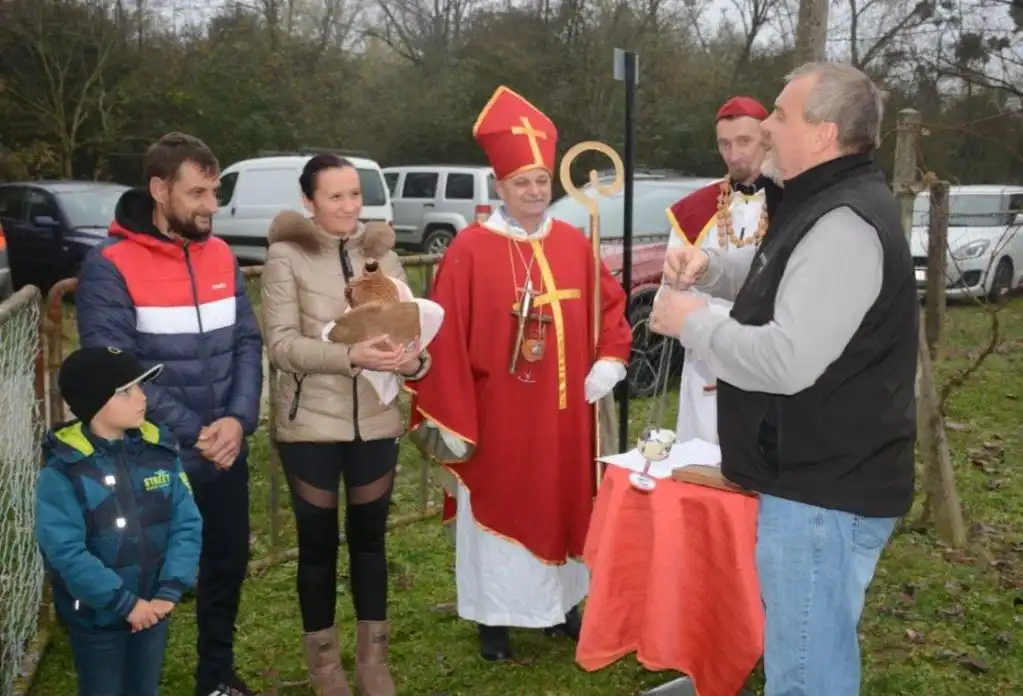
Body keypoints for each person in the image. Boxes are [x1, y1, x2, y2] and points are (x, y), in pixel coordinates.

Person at [650, 62, 917, 695]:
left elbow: (788, 359)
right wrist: (710, 270)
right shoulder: (821, 203)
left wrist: (692, 324)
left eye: (779, 115)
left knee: (805, 675)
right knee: (808, 656)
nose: (765, 128)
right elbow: (781, 281)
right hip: (819, 482)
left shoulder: (843, 222)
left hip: (823, 493)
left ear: (823, 134)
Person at [406, 85, 633, 661]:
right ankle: (495, 617)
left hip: (566, 416)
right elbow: (446, 334)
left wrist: (609, 358)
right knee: (501, 504)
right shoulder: (470, 250)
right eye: (521, 183)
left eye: (541, 181)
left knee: (564, 501)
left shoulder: (573, 243)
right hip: (499, 413)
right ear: (499, 186)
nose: (534, 192)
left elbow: (609, 306)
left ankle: (560, 606)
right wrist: (455, 410)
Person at [75, 133, 264, 696]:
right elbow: (115, 368)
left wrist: (238, 421)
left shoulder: (223, 254)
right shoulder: (109, 264)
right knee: (142, 578)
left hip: (224, 451)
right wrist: (196, 431)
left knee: (225, 568)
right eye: (198, 192)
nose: (212, 205)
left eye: (217, 191)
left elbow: (247, 344)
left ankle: (215, 678)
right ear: (159, 189)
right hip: (151, 455)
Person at [261, 154, 431, 696]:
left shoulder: (380, 252)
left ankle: (373, 664)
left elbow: (415, 331)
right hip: (310, 423)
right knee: (316, 547)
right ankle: (325, 670)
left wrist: (412, 361)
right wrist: (351, 355)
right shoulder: (285, 257)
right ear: (308, 200)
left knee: (371, 542)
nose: (349, 206)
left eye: (355, 194)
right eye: (335, 196)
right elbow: (282, 345)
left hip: (376, 421)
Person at [35, 346, 202, 696]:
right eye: (126, 390)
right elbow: (65, 552)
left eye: (140, 386)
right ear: (94, 402)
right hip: (98, 619)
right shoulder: (64, 471)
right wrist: (124, 604)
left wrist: (170, 588)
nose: (141, 397)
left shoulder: (160, 454)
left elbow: (187, 523)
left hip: (155, 609)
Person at [665, 96, 782, 443]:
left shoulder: (794, 203)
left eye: (744, 141)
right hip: (704, 365)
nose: (734, 154)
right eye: (724, 144)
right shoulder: (696, 210)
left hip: (767, 363)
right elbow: (669, 292)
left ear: (767, 138)